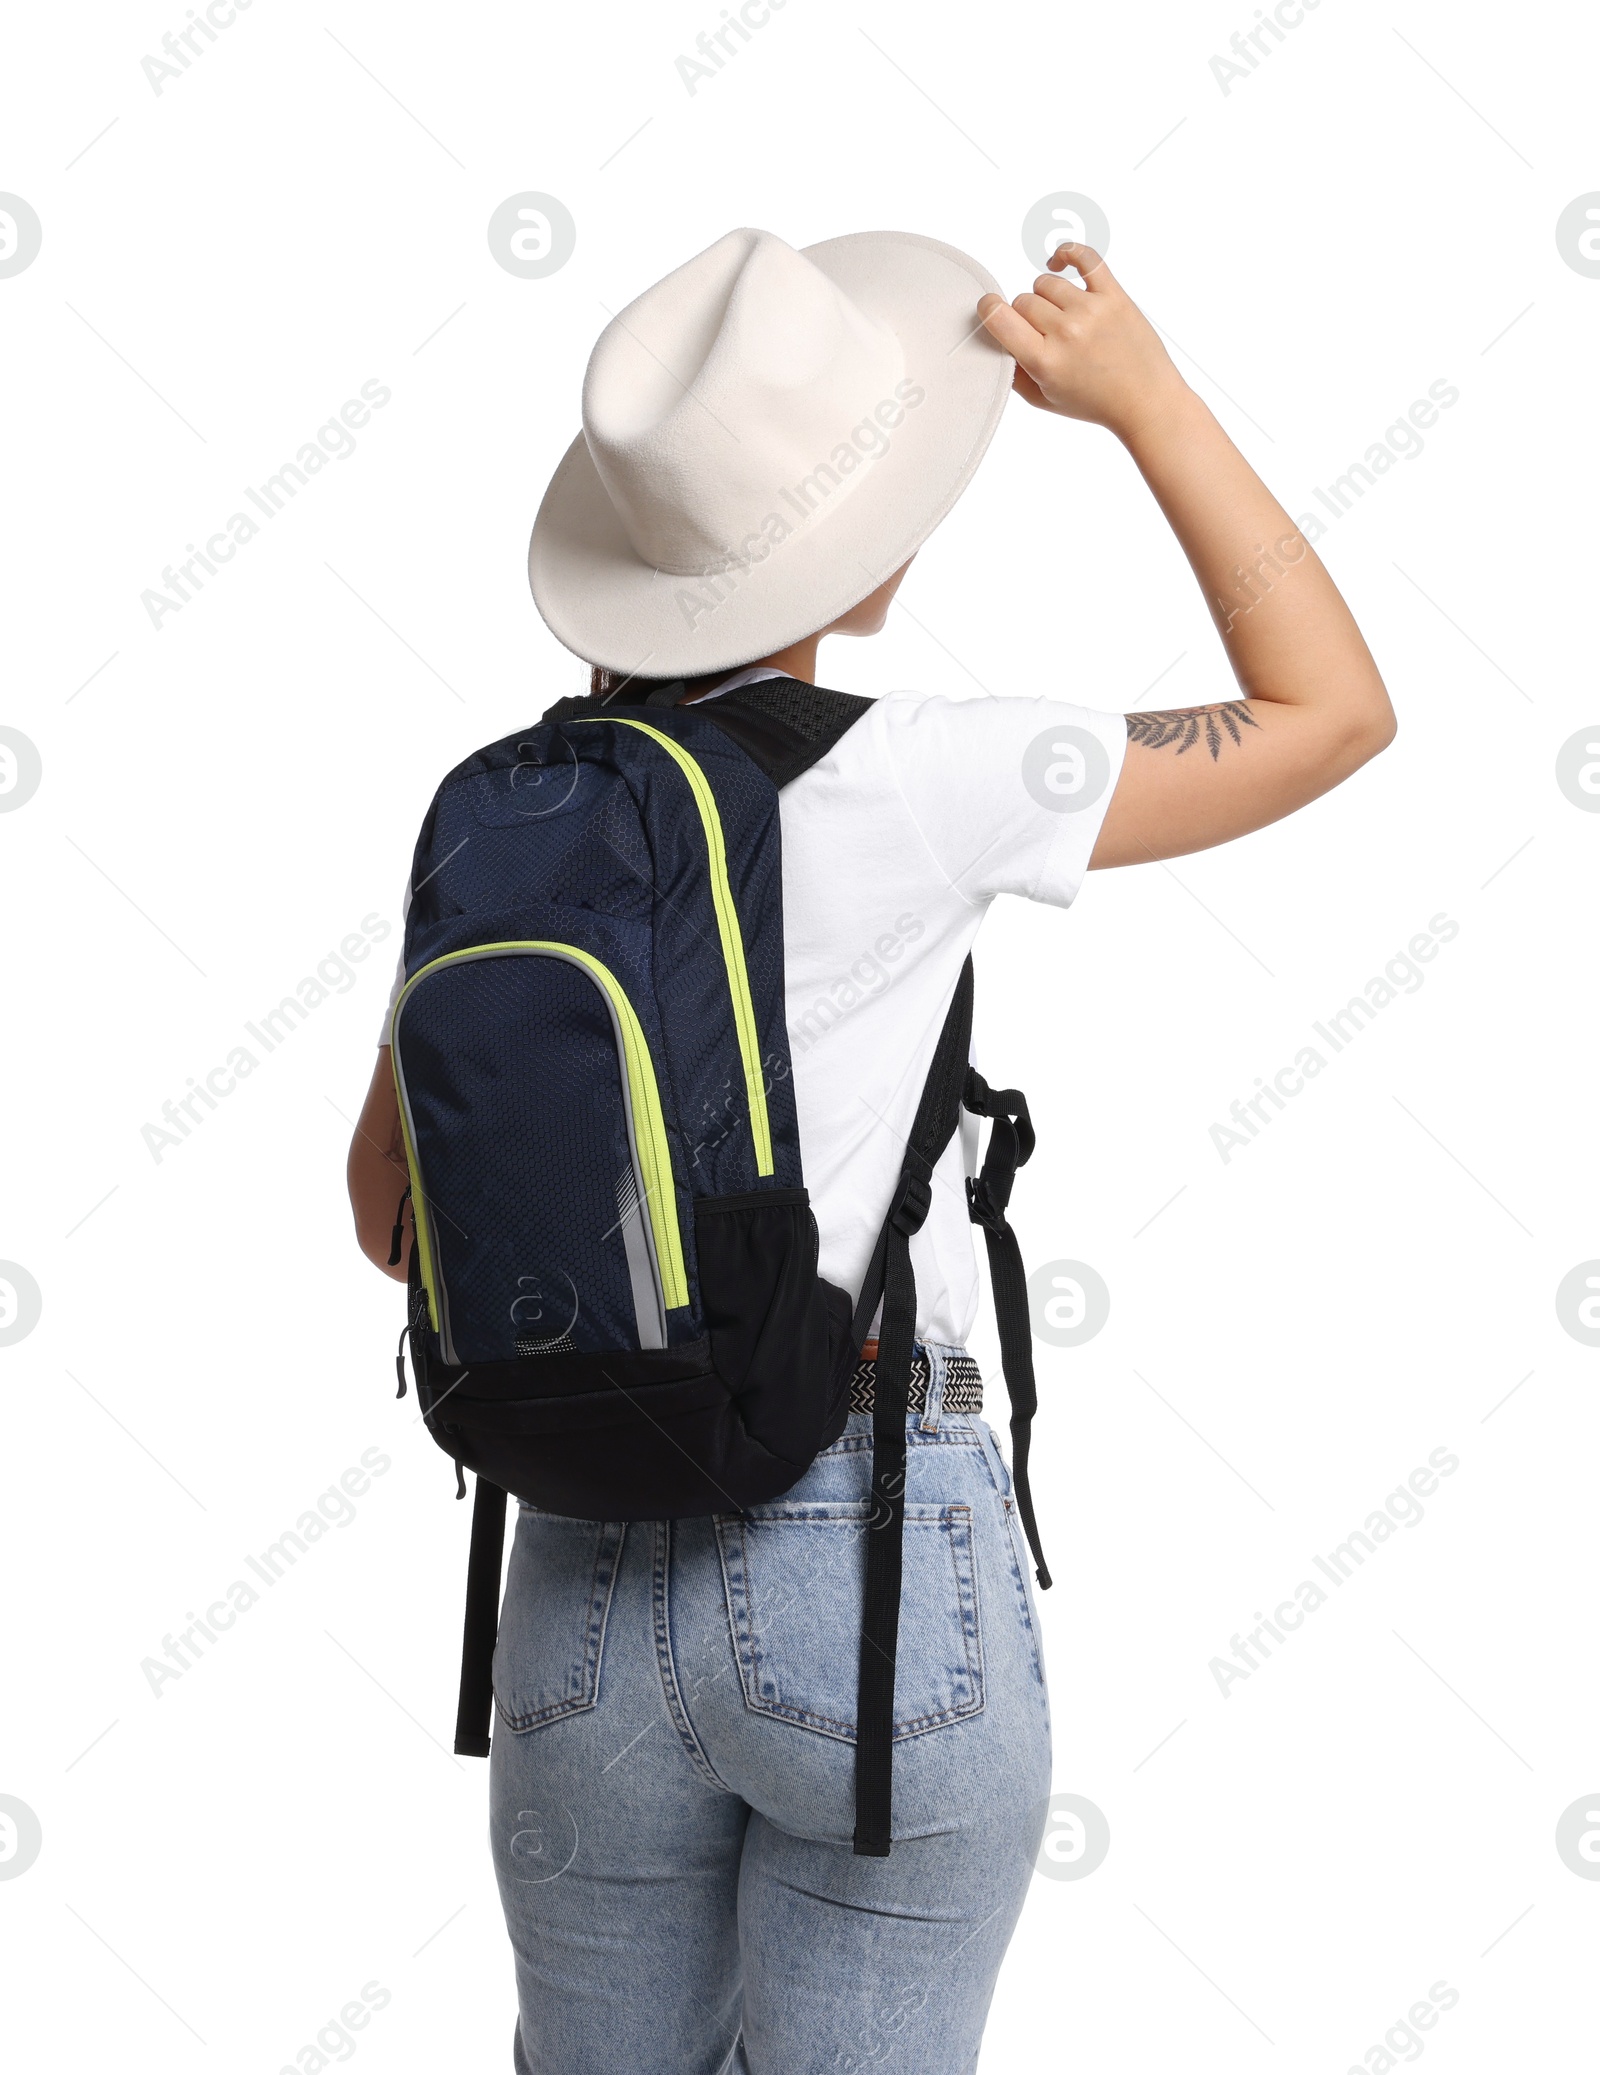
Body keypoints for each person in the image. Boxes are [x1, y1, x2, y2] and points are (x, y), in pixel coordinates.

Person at [347, 226, 1394, 2074]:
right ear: (876, 555)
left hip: (573, 1581)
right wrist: (1145, 404)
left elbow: (385, 1219)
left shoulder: (512, 818)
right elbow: (1330, 714)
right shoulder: (930, 771)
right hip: (865, 1554)